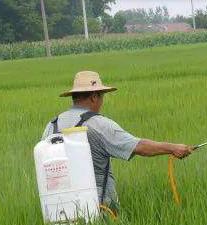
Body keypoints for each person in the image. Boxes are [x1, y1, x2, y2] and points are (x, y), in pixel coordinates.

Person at [42, 71, 194, 217]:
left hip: (58, 207)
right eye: (101, 97)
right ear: (94, 97)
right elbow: (139, 147)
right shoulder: (99, 124)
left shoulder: (52, 125)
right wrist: (173, 148)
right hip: (97, 206)